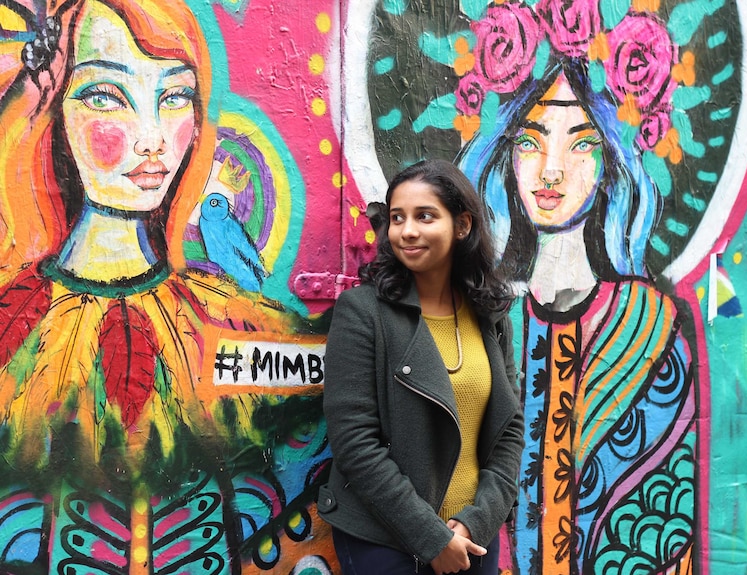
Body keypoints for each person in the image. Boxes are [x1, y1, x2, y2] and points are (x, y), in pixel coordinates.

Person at [0, 0, 331, 571]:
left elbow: (327, 385)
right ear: (53, 111)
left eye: (174, 97)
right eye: (107, 96)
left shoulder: (230, 322)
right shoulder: (13, 325)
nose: (152, 138)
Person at [457, 59, 699, 573]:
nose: (550, 170)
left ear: (612, 159)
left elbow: (662, 524)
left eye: (581, 143)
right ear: (504, 156)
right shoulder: (486, 311)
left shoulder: (651, 327)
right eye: (529, 141)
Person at [319, 159, 524, 575]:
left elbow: (510, 430)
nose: (406, 231)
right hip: (387, 540)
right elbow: (356, 443)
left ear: (462, 225)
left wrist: (476, 521)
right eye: (397, 218)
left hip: (472, 540)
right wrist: (432, 539)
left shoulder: (490, 315)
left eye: (424, 216)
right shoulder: (363, 313)